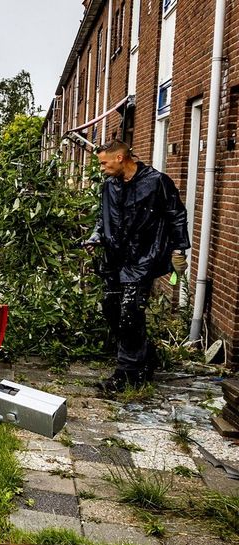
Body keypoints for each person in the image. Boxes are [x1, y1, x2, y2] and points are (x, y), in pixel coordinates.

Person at [84, 140, 189, 392]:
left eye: (104, 162)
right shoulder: (110, 186)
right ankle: (145, 357)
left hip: (143, 257)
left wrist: (179, 248)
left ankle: (127, 374)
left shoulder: (156, 182)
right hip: (114, 258)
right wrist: (96, 236)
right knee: (112, 309)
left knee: (130, 313)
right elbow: (104, 217)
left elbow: (176, 214)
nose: (101, 168)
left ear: (120, 158)